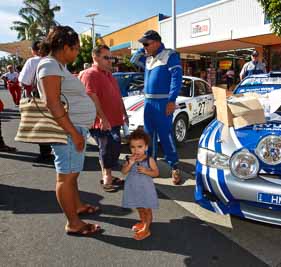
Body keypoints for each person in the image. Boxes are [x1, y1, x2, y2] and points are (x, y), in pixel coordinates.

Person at [37, 25, 100, 236]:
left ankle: (78, 206)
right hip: (68, 131)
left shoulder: (58, 66)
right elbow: (52, 103)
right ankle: (73, 222)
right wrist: (73, 132)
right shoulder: (49, 65)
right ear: (65, 47)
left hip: (74, 128)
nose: (76, 52)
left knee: (72, 175)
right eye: (75, 48)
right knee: (65, 178)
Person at [130, 30, 183, 185]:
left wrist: (172, 100)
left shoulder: (170, 55)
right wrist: (143, 49)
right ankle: (149, 165)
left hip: (163, 103)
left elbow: (176, 78)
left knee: (165, 136)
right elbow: (134, 60)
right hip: (148, 103)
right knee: (148, 136)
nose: (144, 47)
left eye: (146, 43)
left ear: (157, 42)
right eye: (143, 44)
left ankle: (174, 166)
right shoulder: (147, 58)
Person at [79, 45, 128, 192]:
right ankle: (107, 177)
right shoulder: (90, 74)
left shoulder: (109, 75)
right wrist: (103, 118)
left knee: (115, 146)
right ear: (95, 57)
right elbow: (91, 97)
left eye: (110, 57)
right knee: (106, 148)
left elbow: (118, 96)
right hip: (101, 122)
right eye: (106, 57)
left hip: (115, 119)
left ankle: (109, 174)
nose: (110, 61)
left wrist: (124, 113)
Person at [18, 40, 53, 163]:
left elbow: (24, 81)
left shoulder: (32, 61)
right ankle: (50, 150)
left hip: (37, 96)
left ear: (34, 51)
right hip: (53, 96)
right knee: (50, 124)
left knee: (39, 125)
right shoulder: (54, 61)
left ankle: (45, 153)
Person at [121, 128, 159, 240]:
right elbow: (123, 172)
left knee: (147, 209)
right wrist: (129, 164)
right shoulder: (129, 159)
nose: (136, 150)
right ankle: (143, 222)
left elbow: (156, 173)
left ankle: (146, 229)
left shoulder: (149, 160)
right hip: (133, 188)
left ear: (146, 147)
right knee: (139, 207)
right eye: (133, 147)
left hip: (146, 189)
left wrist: (146, 171)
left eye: (139, 147)